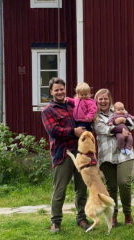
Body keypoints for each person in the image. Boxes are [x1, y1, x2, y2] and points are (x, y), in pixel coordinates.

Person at [41, 77, 90, 233]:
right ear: (51, 92)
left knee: (81, 188)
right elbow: (53, 131)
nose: (60, 92)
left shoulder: (72, 105)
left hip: (80, 152)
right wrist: (73, 132)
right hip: (63, 153)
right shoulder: (48, 110)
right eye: (56, 90)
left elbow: (86, 110)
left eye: (62, 89)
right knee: (60, 189)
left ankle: (81, 218)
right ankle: (55, 221)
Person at [93, 89, 134, 227]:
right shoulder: (94, 116)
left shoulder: (119, 110)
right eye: (100, 99)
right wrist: (121, 128)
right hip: (106, 156)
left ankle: (128, 214)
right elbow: (103, 129)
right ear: (96, 101)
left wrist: (124, 120)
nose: (103, 101)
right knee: (111, 187)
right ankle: (113, 216)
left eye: (105, 98)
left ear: (109, 99)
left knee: (124, 183)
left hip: (124, 153)